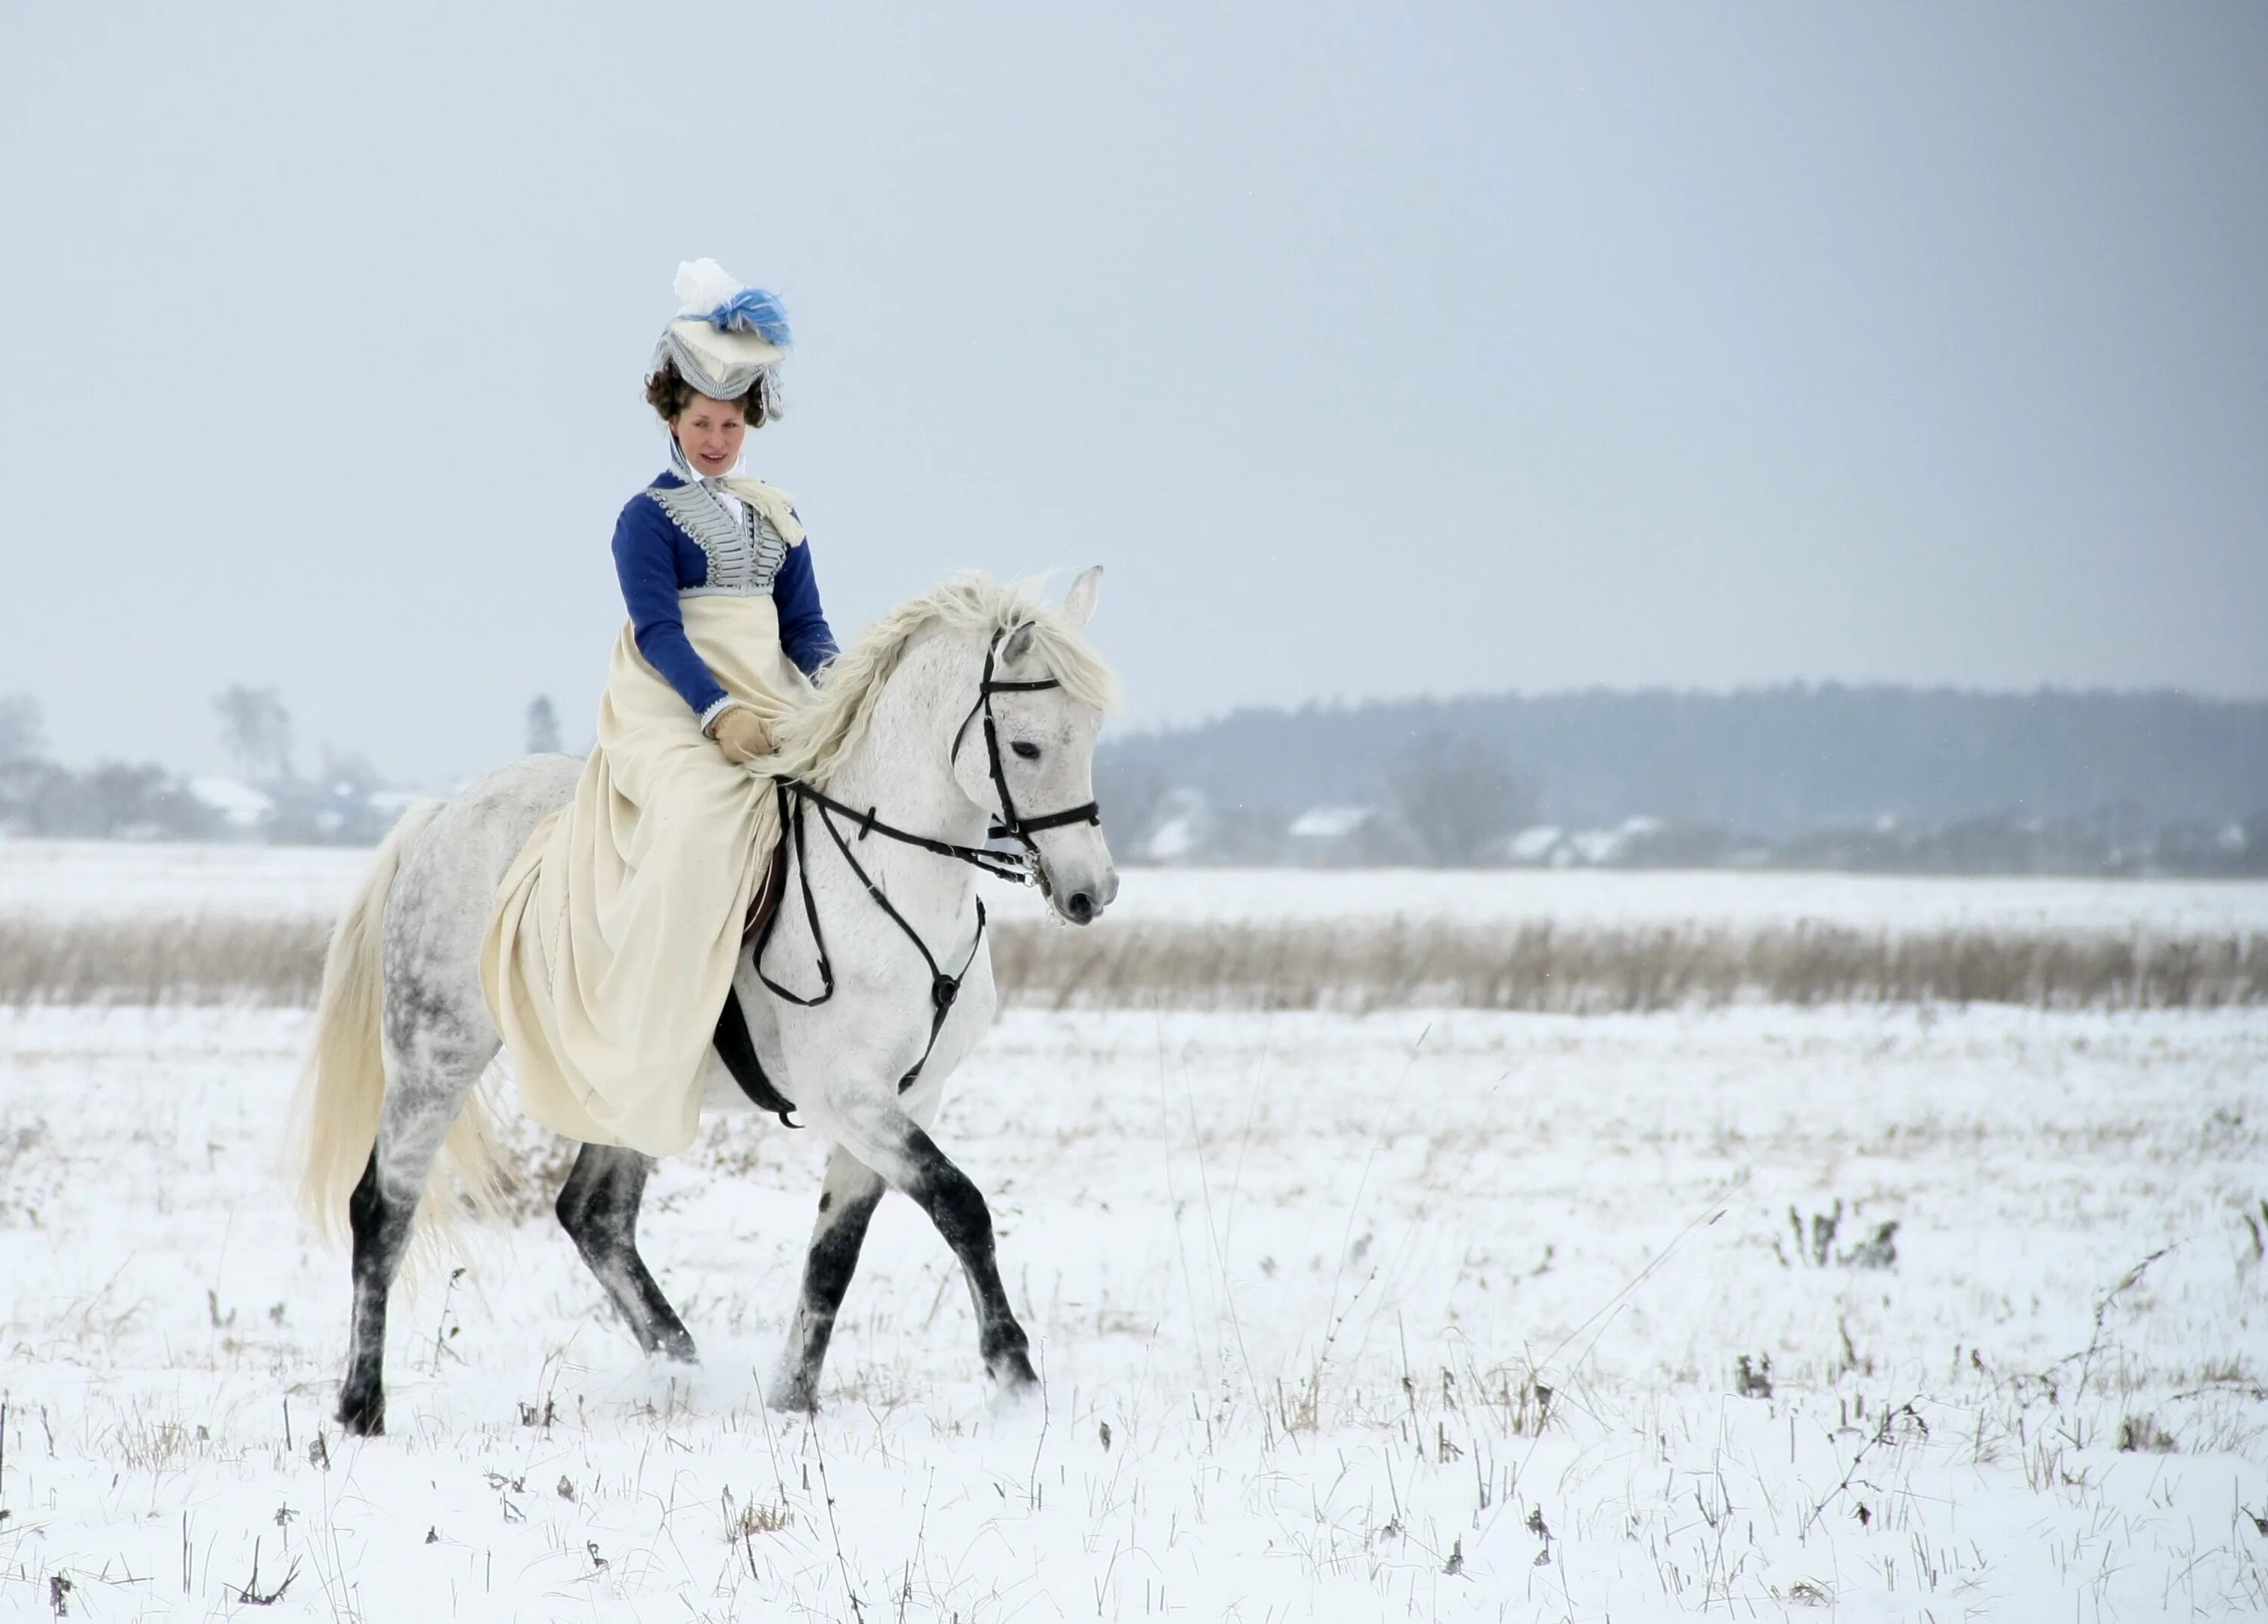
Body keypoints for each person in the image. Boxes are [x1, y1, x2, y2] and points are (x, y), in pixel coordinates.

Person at [482, 261, 835, 1158]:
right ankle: (652, 1027)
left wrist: (840, 693)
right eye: (700, 422)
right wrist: (718, 715)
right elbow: (659, 632)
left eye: (729, 423)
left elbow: (806, 627)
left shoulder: (780, 516)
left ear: (747, 422)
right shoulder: (647, 518)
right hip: (672, 710)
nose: (715, 438)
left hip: (772, 700)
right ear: (672, 418)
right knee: (694, 822)